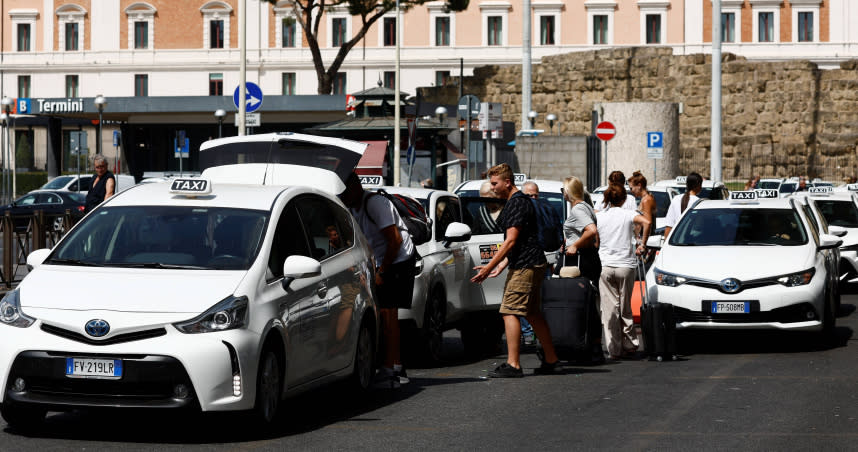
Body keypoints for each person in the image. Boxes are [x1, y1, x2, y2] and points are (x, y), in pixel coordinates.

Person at [471, 163, 560, 377]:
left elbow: (511, 241)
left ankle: (513, 365)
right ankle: (551, 359)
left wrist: (489, 267)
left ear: (507, 182)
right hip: (531, 262)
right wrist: (501, 265)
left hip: (526, 265)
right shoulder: (518, 202)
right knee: (532, 313)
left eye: (495, 183)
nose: (492, 188)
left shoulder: (516, 204)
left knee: (509, 311)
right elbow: (519, 241)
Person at [340, 172, 416, 388]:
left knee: (388, 315)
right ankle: (397, 367)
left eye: (343, 192)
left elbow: (395, 240)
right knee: (385, 315)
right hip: (382, 260)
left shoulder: (375, 204)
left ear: (353, 187)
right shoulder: (351, 207)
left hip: (398, 259)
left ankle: (390, 372)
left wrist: (382, 272)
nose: (341, 197)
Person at [595, 183, 651, 360]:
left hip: (605, 264)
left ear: (607, 199)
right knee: (625, 306)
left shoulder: (600, 216)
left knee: (609, 308)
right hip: (625, 265)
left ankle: (614, 348)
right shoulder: (628, 214)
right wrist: (642, 243)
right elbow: (647, 222)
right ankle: (630, 343)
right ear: (624, 199)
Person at [561, 176, 605, 362]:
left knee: (582, 304)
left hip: (582, 260)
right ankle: (593, 346)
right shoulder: (586, 206)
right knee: (588, 303)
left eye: (563, 190)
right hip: (589, 258)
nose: (562, 193)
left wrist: (575, 245)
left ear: (569, 192)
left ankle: (588, 347)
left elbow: (591, 230)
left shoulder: (579, 209)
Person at [518, 181, 540, 345]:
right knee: (524, 302)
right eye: (529, 196)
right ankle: (528, 333)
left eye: (535, 196)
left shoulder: (543, 210)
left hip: (540, 262)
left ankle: (535, 333)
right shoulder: (519, 211)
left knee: (536, 303)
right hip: (523, 262)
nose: (533, 198)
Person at [663, 172, 703, 239]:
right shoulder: (699, 202)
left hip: (675, 240)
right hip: (693, 241)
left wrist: (665, 245)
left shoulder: (676, 199)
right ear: (698, 185)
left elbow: (669, 226)